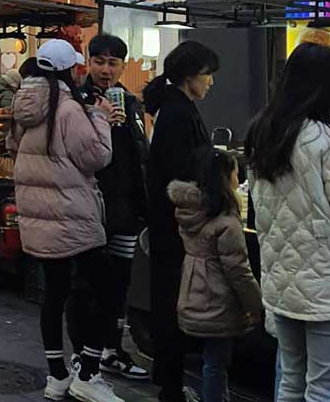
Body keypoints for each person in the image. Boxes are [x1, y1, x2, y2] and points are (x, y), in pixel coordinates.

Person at [11, 38, 120, 402]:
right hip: (73, 217)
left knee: (54, 294)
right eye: (75, 66)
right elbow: (96, 158)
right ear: (65, 70)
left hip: (39, 219)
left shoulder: (24, 105)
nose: (79, 71)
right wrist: (102, 120)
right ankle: (88, 373)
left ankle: (57, 375)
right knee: (105, 292)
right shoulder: (68, 109)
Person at [247, 41, 330, 402]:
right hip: (326, 284)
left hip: (280, 280)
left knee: (290, 380)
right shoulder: (326, 139)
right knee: (326, 387)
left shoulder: (262, 132)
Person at [69, 34, 149, 381]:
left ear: (122, 66)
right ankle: (81, 353)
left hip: (126, 211)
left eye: (113, 63)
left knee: (119, 284)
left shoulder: (130, 102)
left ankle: (112, 350)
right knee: (86, 285)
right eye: (99, 61)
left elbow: (137, 155)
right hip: (92, 210)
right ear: (88, 62)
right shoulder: (76, 101)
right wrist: (99, 120)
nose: (105, 69)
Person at [144, 39, 219, 402]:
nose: (211, 82)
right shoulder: (177, 113)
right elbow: (180, 174)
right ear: (189, 76)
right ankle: (170, 385)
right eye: (207, 75)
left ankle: (169, 378)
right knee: (173, 303)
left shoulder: (178, 107)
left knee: (172, 301)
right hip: (174, 229)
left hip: (173, 227)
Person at [168, 148, 262, 402]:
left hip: (194, 293)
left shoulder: (190, 212)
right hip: (218, 300)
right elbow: (239, 272)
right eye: (234, 172)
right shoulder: (227, 223)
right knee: (216, 364)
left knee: (211, 361)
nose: (238, 179)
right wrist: (256, 306)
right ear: (224, 178)